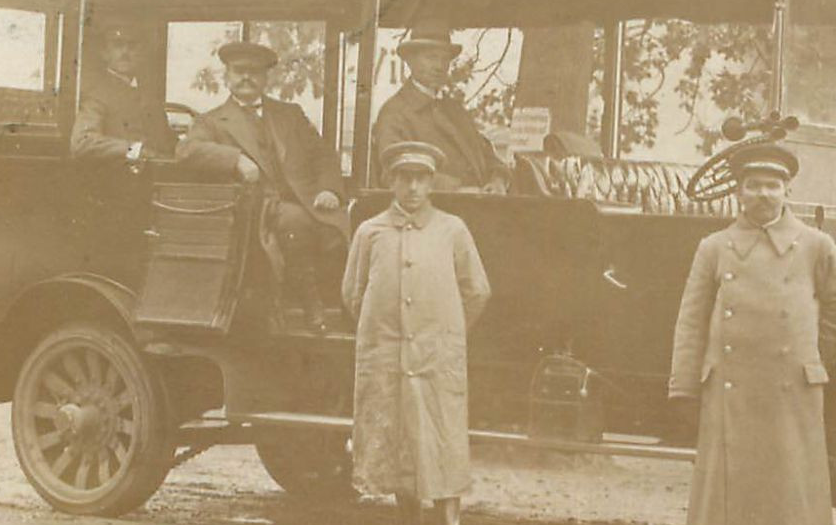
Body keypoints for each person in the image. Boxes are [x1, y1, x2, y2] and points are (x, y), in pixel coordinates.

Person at [667, 141, 836, 525]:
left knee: (791, 477)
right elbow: (692, 318)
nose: (763, 194)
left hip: (790, 383)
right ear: (738, 192)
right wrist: (683, 384)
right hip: (730, 382)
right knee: (728, 476)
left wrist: (813, 353)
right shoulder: (714, 247)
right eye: (753, 185)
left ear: (787, 190)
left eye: (772, 185)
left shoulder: (816, 245)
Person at [341, 141, 492, 525]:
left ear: (432, 183)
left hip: (436, 355)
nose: (412, 187)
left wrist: (446, 330)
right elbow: (353, 293)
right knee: (397, 439)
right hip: (388, 352)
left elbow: (477, 290)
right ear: (390, 181)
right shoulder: (371, 232)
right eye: (404, 178)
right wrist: (387, 330)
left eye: (421, 178)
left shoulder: (452, 230)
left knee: (442, 440)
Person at [181, 40, 348, 328]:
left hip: (307, 200)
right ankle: (311, 305)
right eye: (239, 71)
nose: (246, 77)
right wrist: (235, 159)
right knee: (295, 223)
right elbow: (187, 151)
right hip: (254, 209)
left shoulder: (290, 114)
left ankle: (346, 307)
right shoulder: (212, 121)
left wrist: (328, 189)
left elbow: (322, 154)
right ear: (227, 77)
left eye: (254, 71)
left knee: (344, 230)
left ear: (265, 78)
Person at [371, 18, 510, 193]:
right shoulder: (395, 113)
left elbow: (488, 156)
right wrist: (459, 189)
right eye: (431, 57)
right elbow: (395, 173)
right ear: (410, 61)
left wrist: (498, 180)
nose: (439, 66)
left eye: (444, 60)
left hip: (477, 209)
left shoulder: (455, 110)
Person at [70, 23, 178, 164]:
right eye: (118, 45)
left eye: (132, 46)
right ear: (105, 53)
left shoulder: (149, 97)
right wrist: (133, 149)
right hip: (117, 177)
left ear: (140, 54)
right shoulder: (98, 95)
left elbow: (167, 142)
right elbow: (82, 142)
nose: (125, 52)